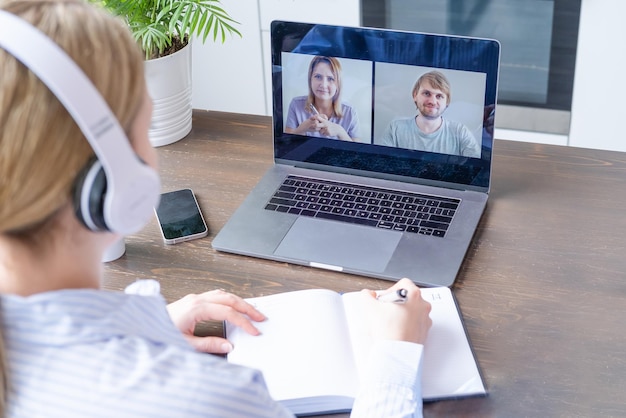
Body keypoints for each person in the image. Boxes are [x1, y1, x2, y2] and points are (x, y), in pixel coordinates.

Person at [0, 1, 432, 417]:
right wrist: (396, 351)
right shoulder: (208, 399)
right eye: (144, 125)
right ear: (115, 178)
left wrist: (151, 323)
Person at [380, 70, 481, 158]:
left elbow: (476, 171)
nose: (432, 101)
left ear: (447, 102)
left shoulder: (460, 132)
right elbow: (381, 164)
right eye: (427, 93)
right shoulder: (395, 128)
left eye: (439, 96)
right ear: (415, 95)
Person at [285, 55, 360, 141]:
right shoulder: (296, 104)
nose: (323, 85)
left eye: (331, 79)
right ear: (310, 79)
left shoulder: (350, 111)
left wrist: (340, 131)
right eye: (318, 77)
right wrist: (302, 129)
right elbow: (286, 144)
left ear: (338, 84)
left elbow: (358, 151)